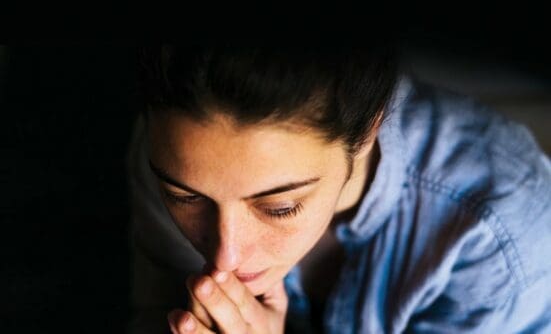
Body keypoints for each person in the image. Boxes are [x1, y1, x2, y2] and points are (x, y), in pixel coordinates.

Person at [125, 43, 551, 334]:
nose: (224, 258)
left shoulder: (498, 233)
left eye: (280, 206)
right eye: (185, 199)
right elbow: (149, 308)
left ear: (367, 132)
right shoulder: (170, 154)